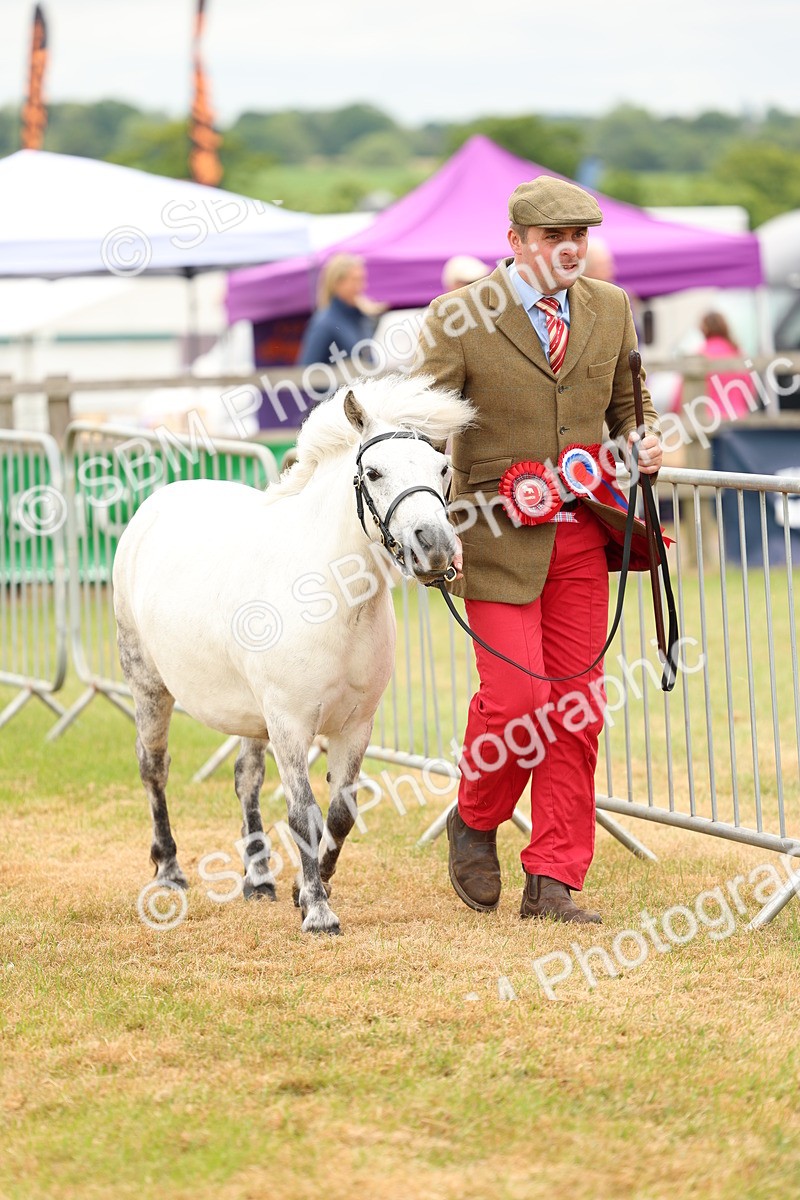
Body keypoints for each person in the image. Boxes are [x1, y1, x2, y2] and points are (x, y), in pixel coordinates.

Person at [414, 176, 662, 924]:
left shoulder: (611, 307)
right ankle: (476, 819)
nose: (571, 250)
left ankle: (554, 878)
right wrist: (429, 530)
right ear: (516, 243)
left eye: (580, 237)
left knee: (577, 709)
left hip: (584, 536)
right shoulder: (457, 318)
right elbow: (425, 430)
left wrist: (643, 441)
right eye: (555, 238)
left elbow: (629, 407)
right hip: (492, 537)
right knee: (520, 699)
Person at [372, 254, 491, 372]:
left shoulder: (479, 320)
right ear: (454, 285)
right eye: (471, 283)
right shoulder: (422, 322)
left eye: (481, 282)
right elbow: (391, 370)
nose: (477, 288)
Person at [298, 254, 383, 369]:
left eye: (362, 280)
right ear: (337, 283)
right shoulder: (324, 324)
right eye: (355, 280)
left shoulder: (364, 320)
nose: (361, 287)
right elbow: (306, 373)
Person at [695, 311, 756, 419]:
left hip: (709, 419)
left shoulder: (701, 354)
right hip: (739, 416)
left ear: (704, 329)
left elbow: (683, 392)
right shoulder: (738, 353)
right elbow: (750, 389)